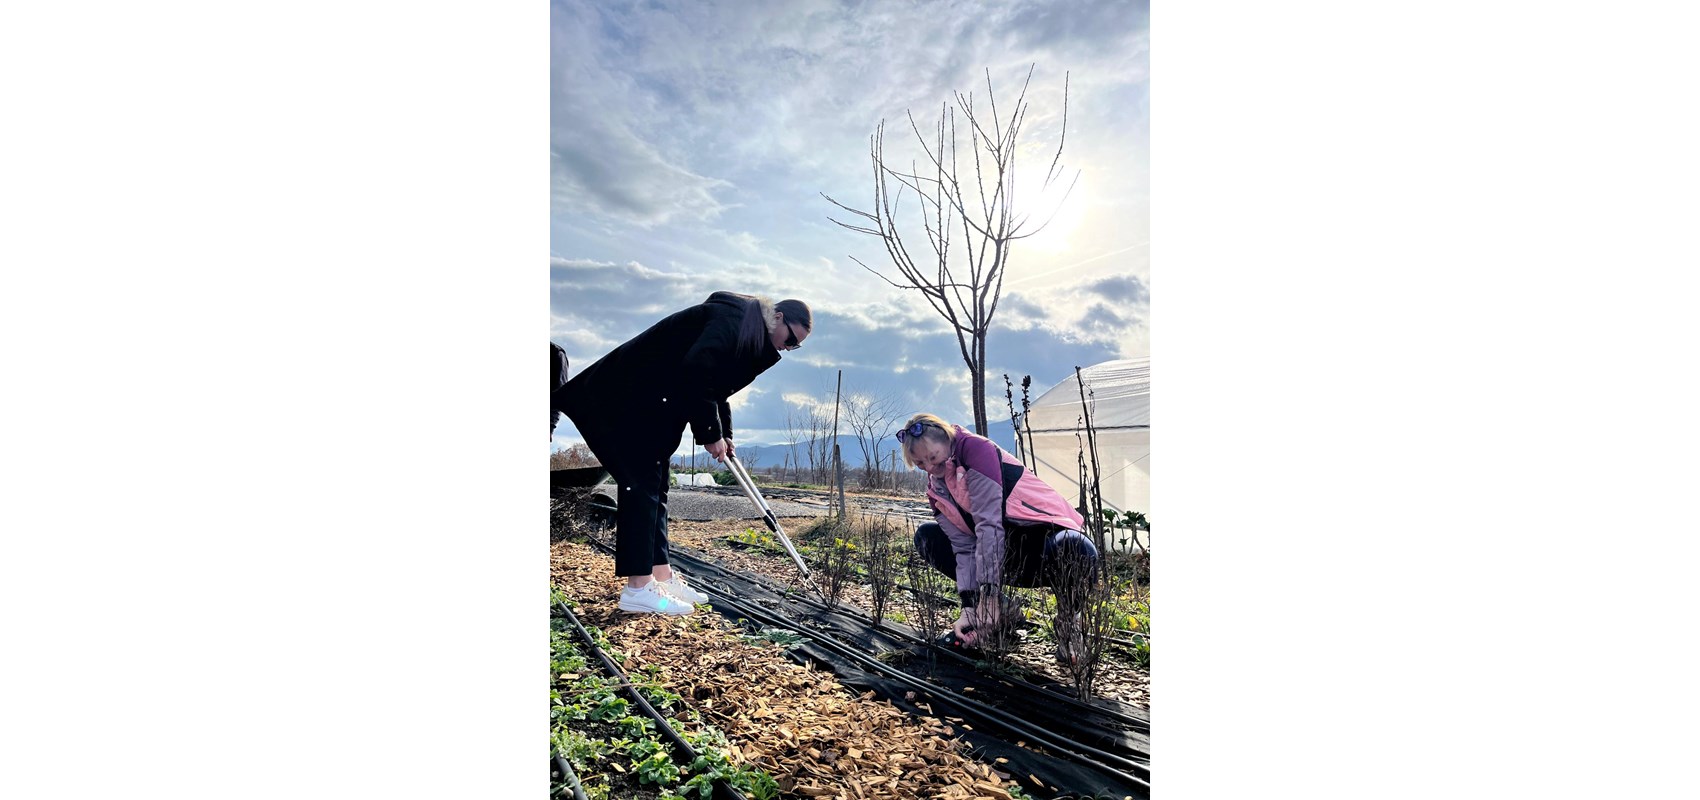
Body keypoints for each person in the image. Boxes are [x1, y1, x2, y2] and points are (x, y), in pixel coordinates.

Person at [552, 292, 813, 616]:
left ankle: (661, 574)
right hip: (623, 400)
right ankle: (638, 588)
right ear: (778, 318)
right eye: (791, 340)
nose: (788, 348)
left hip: (650, 405)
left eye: (795, 347)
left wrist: (724, 435)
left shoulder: (748, 333)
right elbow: (697, 372)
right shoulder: (733, 322)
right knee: (640, 486)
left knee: (656, 486)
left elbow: (717, 389)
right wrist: (709, 434)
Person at [897, 413, 1098, 665]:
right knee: (927, 537)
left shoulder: (976, 450)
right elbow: (964, 547)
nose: (929, 468)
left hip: (1041, 544)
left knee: (1077, 548)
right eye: (919, 463)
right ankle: (1004, 611)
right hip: (1002, 554)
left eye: (933, 457)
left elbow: (988, 525)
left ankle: (1069, 623)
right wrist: (970, 607)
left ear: (948, 439)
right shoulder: (936, 489)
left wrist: (988, 596)